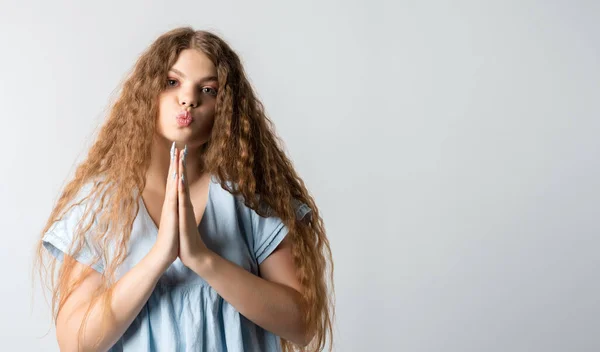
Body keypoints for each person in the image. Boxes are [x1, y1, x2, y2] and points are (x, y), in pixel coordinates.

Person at [33, 27, 334, 352]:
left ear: (227, 108)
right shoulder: (105, 205)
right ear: (147, 92)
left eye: (208, 89)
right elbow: (75, 343)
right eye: (172, 82)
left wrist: (202, 258)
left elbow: (304, 325)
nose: (189, 98)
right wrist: (159, 257)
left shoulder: (250, 199)